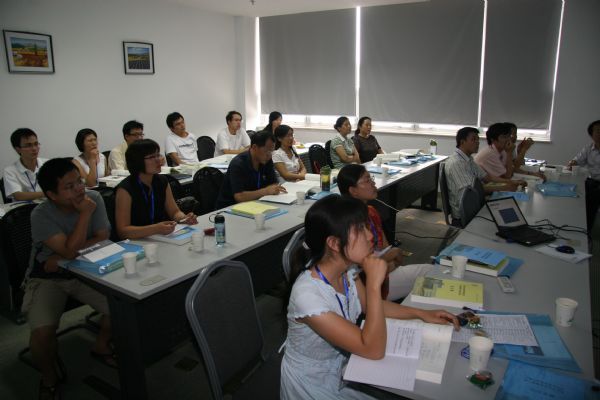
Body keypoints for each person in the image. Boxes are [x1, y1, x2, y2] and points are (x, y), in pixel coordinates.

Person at [281, 195, 459, 399]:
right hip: (311, 382)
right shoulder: (307, 297)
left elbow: (370, 306)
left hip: (345, 366)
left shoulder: (346, 270)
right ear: (334, 243)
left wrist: (421, 314)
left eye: (366, 226)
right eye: (360, 229)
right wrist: (374, 284)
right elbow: (373, 349)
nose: (370, 235)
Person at [22, 158, 114, 398]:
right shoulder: (41, 214)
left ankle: (101, 344)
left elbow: (102, 237)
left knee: (122, 307)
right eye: (69, 187)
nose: (80, 190)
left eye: (79, 182)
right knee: (42, 334)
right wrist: (84, 217)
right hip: (49, 277)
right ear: (51, 194)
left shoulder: (94, 198)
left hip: (86, 270)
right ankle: (49, 378)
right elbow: (71, 251)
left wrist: (64, 254)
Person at [337, 164, 432, 300]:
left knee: (426, 275)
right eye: (367, 180)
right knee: (429, 272)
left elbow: (385, 248)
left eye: (371, 178)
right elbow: (360, 266)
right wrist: (390, 258)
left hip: (381, 270)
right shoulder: (348, 221)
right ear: (353, 191)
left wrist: (390, 258)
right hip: (365, 283)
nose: (373, 183)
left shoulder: (371, 212)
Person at [115, 139, 197, 239]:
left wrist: (184, 218)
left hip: (159, 236)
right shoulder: (125, 189)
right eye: (151, 157)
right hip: (136, 241)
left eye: (158, 155)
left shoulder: (162, 181)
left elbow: (174, 212)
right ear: (137, 161)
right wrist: (155, 229)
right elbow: (123, 231)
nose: (158, 160)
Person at [445, 127, 523, 226]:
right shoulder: (457, 163)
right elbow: (472, 191)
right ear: (462, 142)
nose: (477, 142)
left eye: (478, 139)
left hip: (474, 204)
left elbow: (488, 177)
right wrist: (505, 187)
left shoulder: (468, 159)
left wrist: (512, 182)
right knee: (507, 217)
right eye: (473, 139)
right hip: (465, 214)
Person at [215, 130, 286, 209]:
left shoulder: (266, 160)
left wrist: (273, 189)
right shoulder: (238, 164)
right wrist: (266, 191)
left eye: (271, 151)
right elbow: (239, 197)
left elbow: (273, 184)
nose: (269, 155)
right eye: (267, 151)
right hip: (231, 208)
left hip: (256, 204)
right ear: (254, 147)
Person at [475, 123, 543, 180]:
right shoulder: (490, 153)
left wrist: (531, 174)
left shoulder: (502, 150)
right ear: (493, 139)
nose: (508, 139)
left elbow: (512, 169)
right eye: (503, 137)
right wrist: (510, 153)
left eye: (508, 136)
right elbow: (507, 176)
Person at [568, 119, 600, 231]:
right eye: (598, 131)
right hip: (593, 182)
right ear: (592, 134)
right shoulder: (588, 148)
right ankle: (581, 224)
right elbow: (577, 161)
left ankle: (587, 230)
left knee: (592, 197)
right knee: (576, 190)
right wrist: (573, 162)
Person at [3, 128, 47, 201]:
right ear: (18, 149)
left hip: (48, 205)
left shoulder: (48, 164)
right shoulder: (9, 171)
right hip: (24, 207)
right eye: (28, 145)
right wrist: (48, 194)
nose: (34, 148)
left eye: (36, 144)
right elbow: (18, 196)